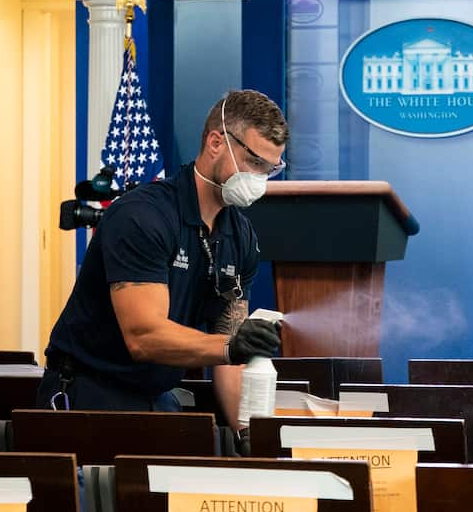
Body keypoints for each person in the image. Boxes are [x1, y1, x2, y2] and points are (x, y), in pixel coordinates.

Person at [38, 89, 288, 428]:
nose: (259, 179)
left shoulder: (240, 236)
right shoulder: (143, 216)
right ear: (216, 143)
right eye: (254, 163)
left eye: (270, 170)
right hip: (88, 395)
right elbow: (144, 337)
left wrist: (248, 434)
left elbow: (232, 358)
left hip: (157, 400)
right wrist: (230, 346)